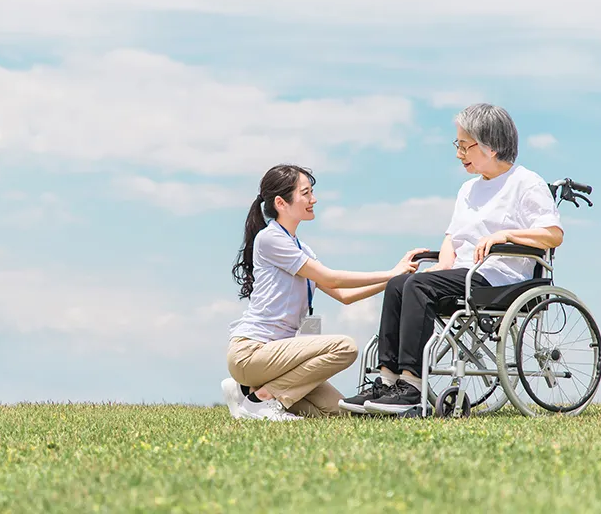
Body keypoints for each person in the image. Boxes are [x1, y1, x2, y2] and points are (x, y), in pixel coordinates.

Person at [340, 103, 565, 415]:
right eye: (457, 145)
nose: (459, 154)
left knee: (418, 286)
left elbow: (552, 235)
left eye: (464, 146)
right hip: (464, 274)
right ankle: (388, 380)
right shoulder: (468, 189)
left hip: (500, 278)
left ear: (491, 146)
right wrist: (442, 266)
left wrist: (507, 235)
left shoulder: (526, 183)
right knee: (399, 284)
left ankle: (412, 384)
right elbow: (453, 238)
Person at [222, 164, 427, 421]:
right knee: (345, 347)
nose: (313, 199)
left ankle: (246, 392)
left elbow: (343, 294)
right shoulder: (270, 239)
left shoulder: (302, 249)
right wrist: (390, 272)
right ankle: (262, 398)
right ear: (280, 203)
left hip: (280, 358)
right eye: (306, 193)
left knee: (338, 411)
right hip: (252, 353)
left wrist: (399, 279)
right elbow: (329, 276)